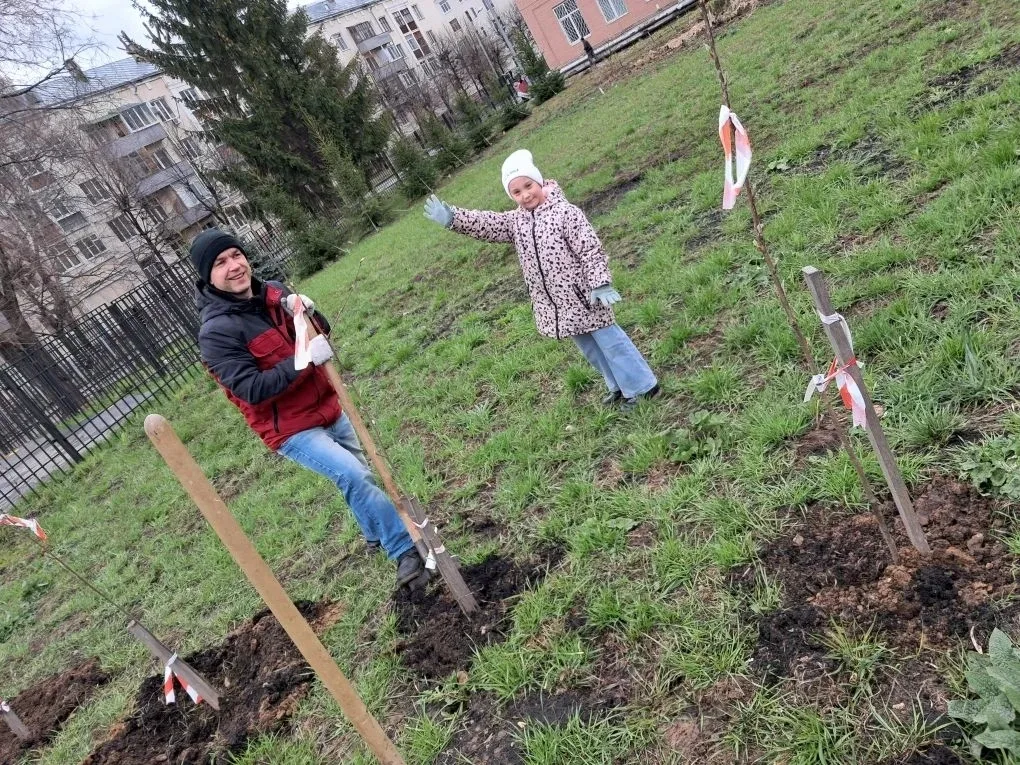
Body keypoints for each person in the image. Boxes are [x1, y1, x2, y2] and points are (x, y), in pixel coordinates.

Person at [188, 229, 425, 589]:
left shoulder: (275, 294)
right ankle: (404, 547)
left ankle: (373, 534)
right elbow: (253, 390)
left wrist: (312, 314)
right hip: (290, 428)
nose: (234, 266)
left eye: (236, 255)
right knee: (353, 474)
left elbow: (318, 334)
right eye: (220, 263)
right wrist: (304, 361)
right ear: (208, 276)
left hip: (327, 405)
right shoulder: (217, 333)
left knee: (358, 475)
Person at [423, 150, 659, 411]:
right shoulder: (516, 222)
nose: (525, 195)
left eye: (528, 186)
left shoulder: (566, 213)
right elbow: (488, 223)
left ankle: (643, 387)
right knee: (592, 349)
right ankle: (618, 386)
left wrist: (600, 282)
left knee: (611, 343)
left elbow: (589, 249)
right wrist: (454, 219)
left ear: (539, 181)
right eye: (516, 192)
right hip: (559, 305)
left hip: (586, 297)